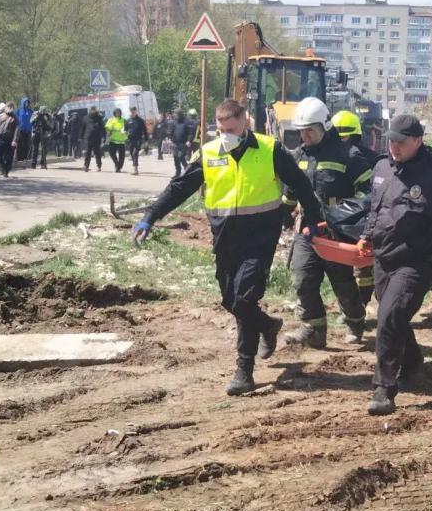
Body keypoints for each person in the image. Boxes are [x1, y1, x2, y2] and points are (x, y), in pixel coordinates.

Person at [132, 99, 323, 396]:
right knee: (230, 300)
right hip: (225, 239)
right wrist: (150, 216)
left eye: (231, 129)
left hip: (260, 238)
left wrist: (314, 218)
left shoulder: (269, 149)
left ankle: (243, 370)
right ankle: (268, 325)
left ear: (244, 123)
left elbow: (300, 183)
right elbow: (179, 187)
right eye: (220, 129)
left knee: (244, 297)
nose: (225, 135)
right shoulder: (209, 153)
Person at [357, 114, 432, 415]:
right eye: (390, 141)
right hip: (384, 258)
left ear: (418, 141)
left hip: (417, 261)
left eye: (401, 142)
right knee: (390, 315)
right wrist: (367, 237)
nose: (394, 147)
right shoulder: (381, 166)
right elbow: (375, 207)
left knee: (390, 316)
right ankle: (413, 364)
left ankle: (383, 389)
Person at [283, 98, 372, 347]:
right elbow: (291, 188)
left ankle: (355, 321)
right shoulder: (299, 154)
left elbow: (368, 190)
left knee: (342, 283)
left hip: (336, 231)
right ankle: (314, 329)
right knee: (302, 279)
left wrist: (347, 215)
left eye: (310, 130)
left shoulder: (348, 155)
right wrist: (285, 210)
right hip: (307, 229)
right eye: (302, 130)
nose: (305, 135)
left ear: (325, 126)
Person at [331, 109, 381, 307]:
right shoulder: (373, 157)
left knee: (363, 267)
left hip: (357, 220)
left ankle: (362, 303)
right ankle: (361, 304)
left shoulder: (364, 158)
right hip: (357, 219)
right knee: (362, 266)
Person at [0, 103, 19, 177]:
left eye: (11, 107)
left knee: (8, 157)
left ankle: (6, 171)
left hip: (10, 140)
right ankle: (3, 167)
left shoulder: (15, 118)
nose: (9, 109)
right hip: (1, 138)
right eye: (8, 107)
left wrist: (14, 140)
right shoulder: (1, 115)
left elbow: (17, 130)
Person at [125, 106, 148, 176]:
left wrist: (146, 141)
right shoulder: (128, 120)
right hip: (130, 140)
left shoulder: (140, 120)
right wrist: (124, 132)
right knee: (132, 153)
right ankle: (135, 165)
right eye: (131, 111)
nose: (132, 112)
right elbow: (125, 129)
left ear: (136, 111)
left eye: (133, 110)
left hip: (138, 139)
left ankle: (135, 169)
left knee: (135, 153)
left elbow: (145, 131)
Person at [82, 107, 105, 172]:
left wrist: (103, 137)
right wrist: (81, 137)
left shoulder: (99, 118)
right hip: (88, 138)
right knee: (87, 153)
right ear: (90, 111)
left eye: (95, 111)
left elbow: (103, 128)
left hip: (97, 138)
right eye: (93, 110)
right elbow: (83, 128)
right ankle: (86, 166)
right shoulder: (85, 118)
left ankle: (99, 166)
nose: (94, 112)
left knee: (97, 153)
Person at [105, 108, 127, 172]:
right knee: (111, 153)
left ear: (120, 113)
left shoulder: (124, 120)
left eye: (119, 112)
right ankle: (117, 165)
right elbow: (107, 127)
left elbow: (127, 129)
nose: (118, 113)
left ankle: (119, 167)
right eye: (116, 112)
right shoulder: (111, 120)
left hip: (121, 141)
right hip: (113, 140)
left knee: (122, 156)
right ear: (114, 113)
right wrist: (108, 131)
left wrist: (126, 134)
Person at [170, 110, 191, 175]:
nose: (174, 115)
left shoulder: (186, 122)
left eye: (176, 114)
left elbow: (190, 133)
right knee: (175, 157)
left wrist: (189, 140)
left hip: (183, 143)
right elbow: (172, 131)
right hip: (175, 143)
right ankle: (178, 172)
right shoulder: (174, 122)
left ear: (179, 114)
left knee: (181, 156)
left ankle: (186, 167)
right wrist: (170, 139)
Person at [16, 97, 33, 161]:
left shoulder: (30, 111)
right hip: (21, 130)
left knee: (27, 144)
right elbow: (16, 119)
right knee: (20, 144)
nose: (26, 103)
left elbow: (33, 119)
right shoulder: (18, 111)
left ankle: (26, 157)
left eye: (27, 102)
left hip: (28, 130)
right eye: (25, 102)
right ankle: (20, 157)